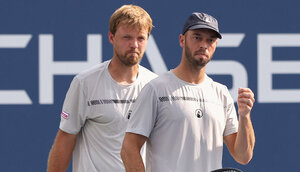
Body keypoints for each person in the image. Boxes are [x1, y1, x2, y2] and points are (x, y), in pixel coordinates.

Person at [121, 12, 255, 172]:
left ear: (215, 45)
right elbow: (129, 149)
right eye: (197, 37)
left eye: (210, 40)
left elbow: (243, 156)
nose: (204, 45)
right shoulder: (156, 89)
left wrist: (245, 116)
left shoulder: (221, 93)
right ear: (182, 40)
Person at [47, 4, 157, 172]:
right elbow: (65, 139)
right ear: (111, 38)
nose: (134, 44)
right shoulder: (85, 83)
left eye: (141, 38)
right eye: (127, 37)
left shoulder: (155, 85)